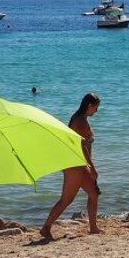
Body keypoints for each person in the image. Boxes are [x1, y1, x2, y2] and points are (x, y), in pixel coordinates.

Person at [38, 92, 102, 239]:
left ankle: (93, 228)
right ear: (89, 105)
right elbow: (81, 147)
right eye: (96, 108)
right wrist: (91, 167)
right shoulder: (79, 121)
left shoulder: (82, 118)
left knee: (94, 194)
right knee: (67, 199)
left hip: (81, 164)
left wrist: (88, 166)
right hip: (74, 165)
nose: (96, 111)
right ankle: (46, 228)